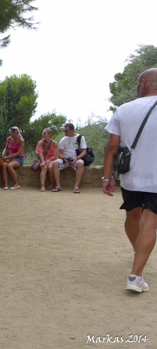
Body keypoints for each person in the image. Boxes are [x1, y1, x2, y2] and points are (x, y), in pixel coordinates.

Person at [103, 68, 157, 293]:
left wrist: (107, 177)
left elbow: (112, 147)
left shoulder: (123, 109)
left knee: (132, 215)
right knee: (150, 221)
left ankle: (138, 252)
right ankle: (136, 276)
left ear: (143, 83)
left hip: (130, 177)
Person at [51, 123, 87, 193]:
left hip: (76, 159)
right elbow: (60, 153)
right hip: (66, 159)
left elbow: (84, 152)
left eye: (66, 131)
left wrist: (77, 158)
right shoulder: (63, 140)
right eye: (64, 130)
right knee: (55, 163)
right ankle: (58, 185)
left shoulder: (80, 137)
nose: (65, 132)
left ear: (72, 130)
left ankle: (76, 186)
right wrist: (64, 158)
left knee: (80, 163)